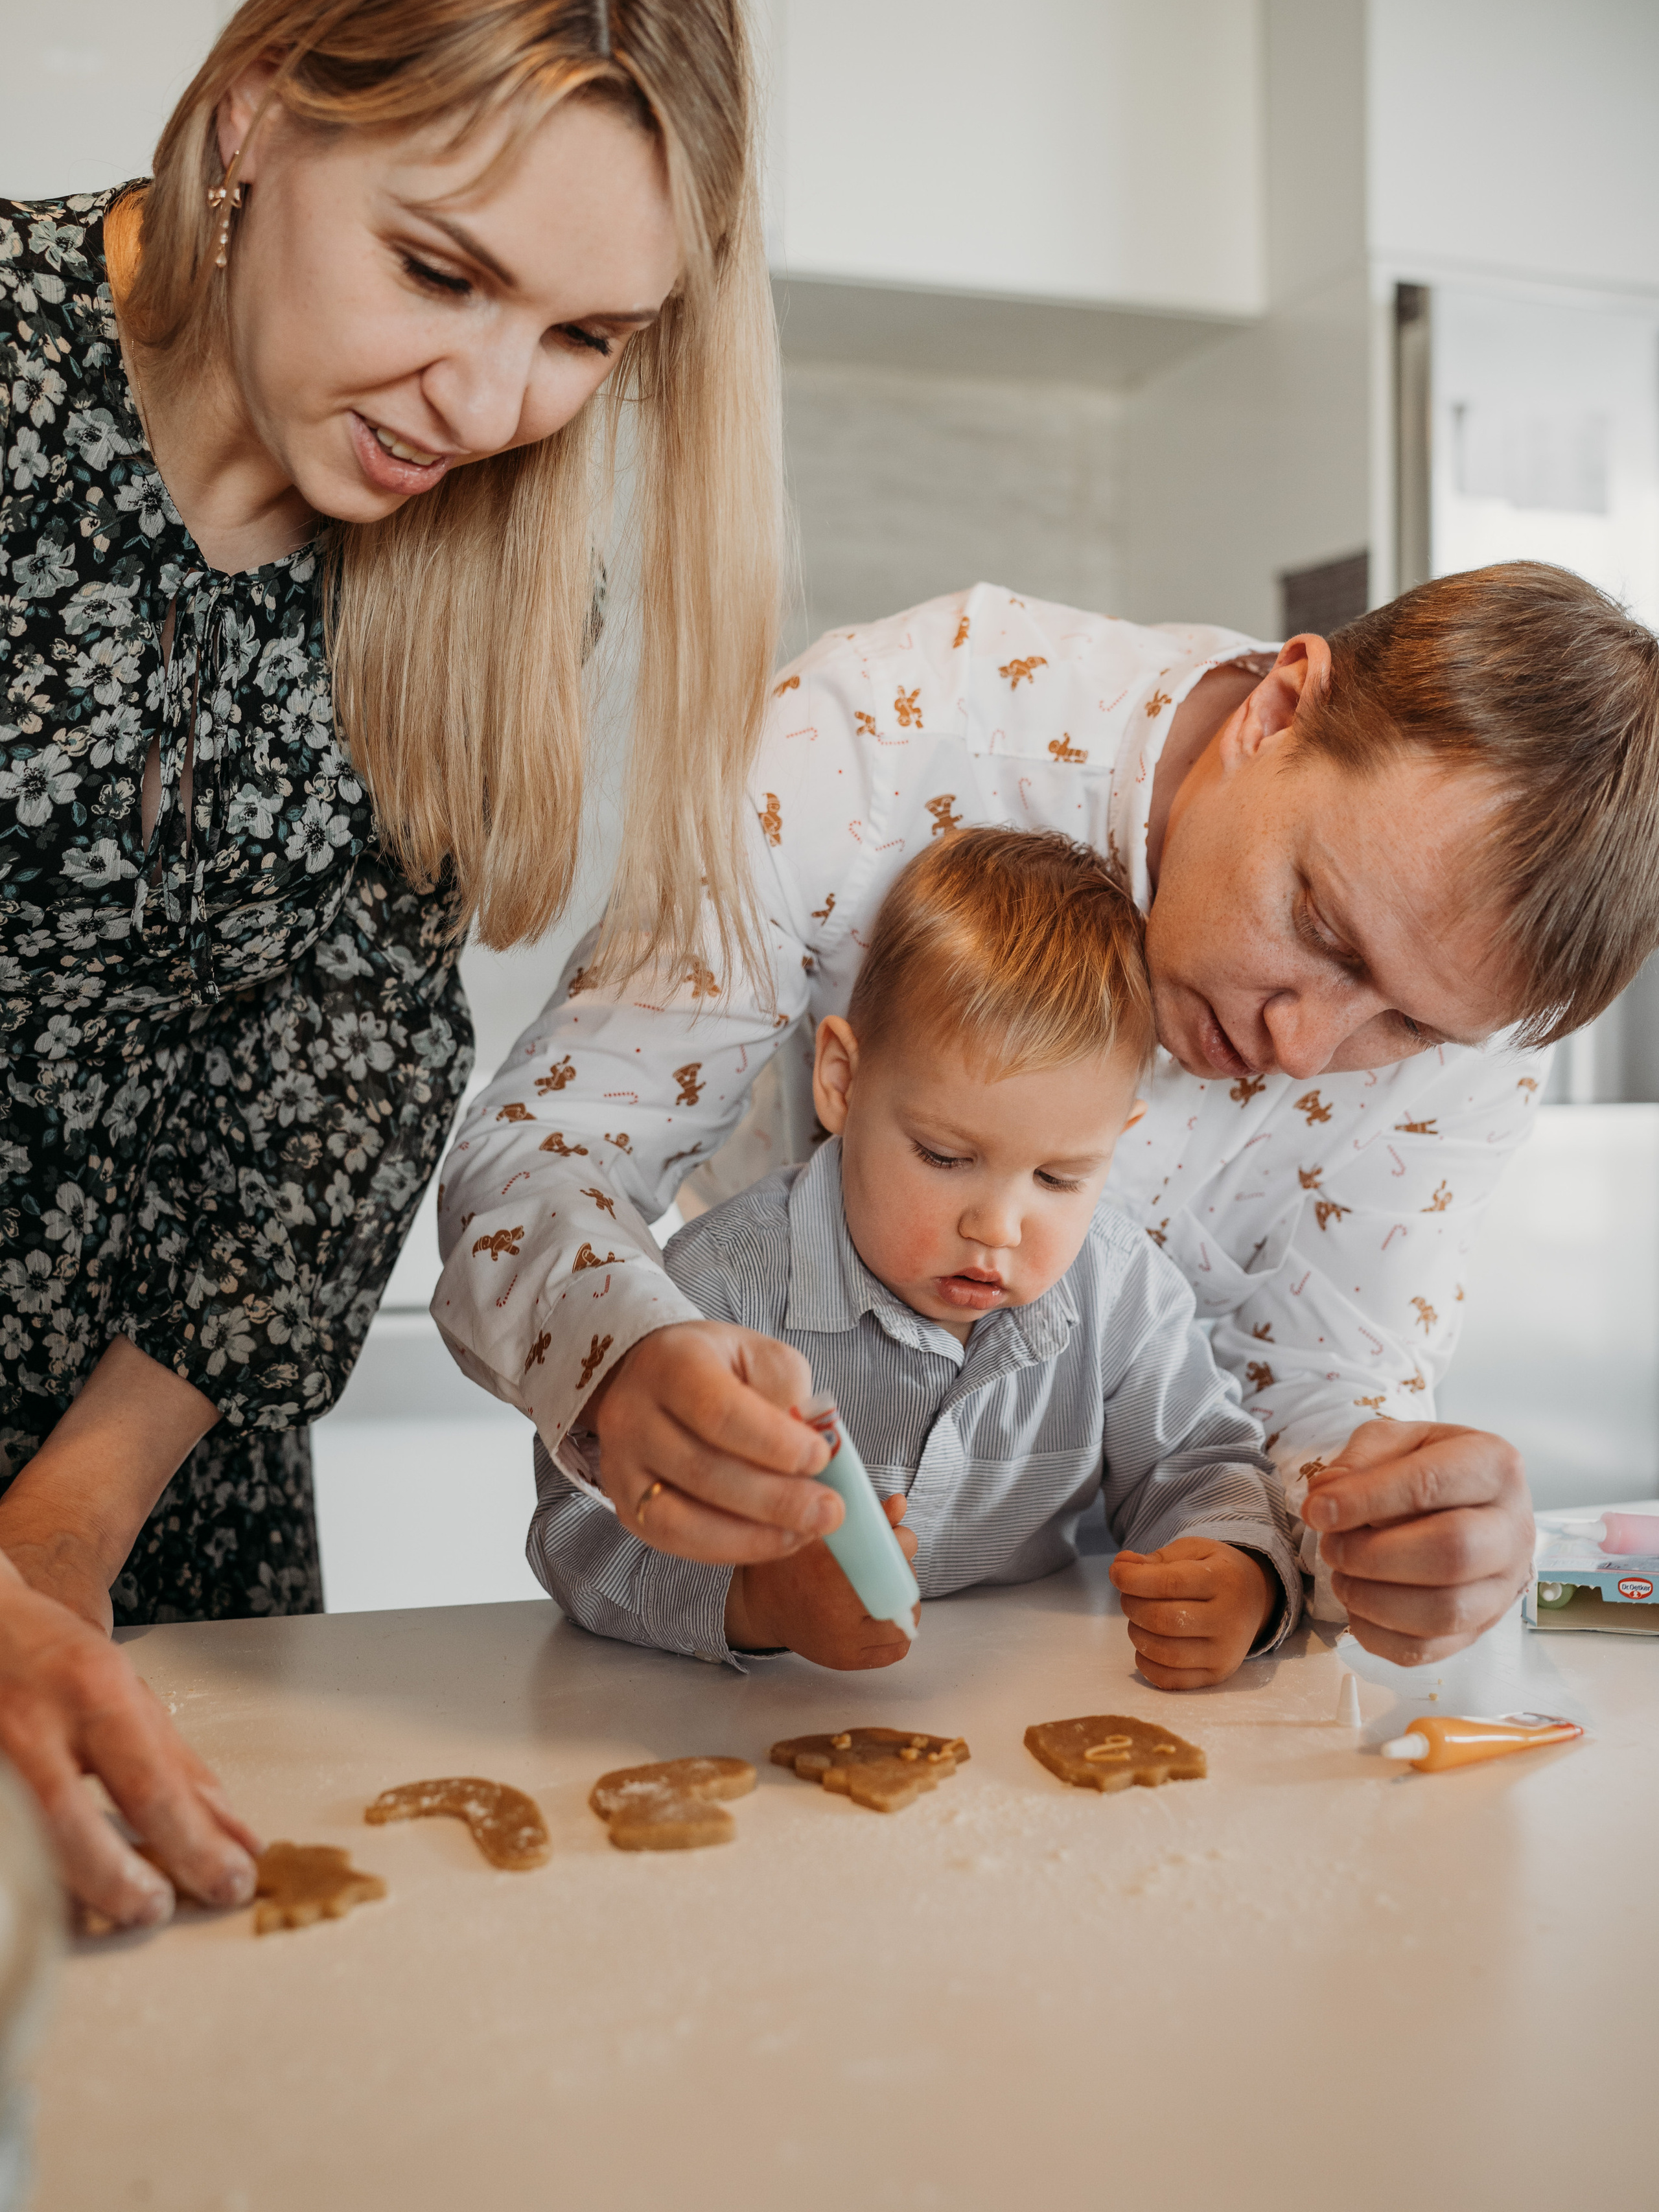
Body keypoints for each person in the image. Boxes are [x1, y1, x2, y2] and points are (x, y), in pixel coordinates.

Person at [0, 0, 784, 1928]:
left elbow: (335, 1086)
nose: (490, 400)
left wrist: (56, 1549)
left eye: (585, 338)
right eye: (442, 271)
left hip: (153, 1527)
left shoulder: (485, 557)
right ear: (258, 115)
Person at [435, 564, 1659, 1663]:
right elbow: (554, 1149)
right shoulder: (880, 739)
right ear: (1281, 711)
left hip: (1089, 1638)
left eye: (1403, 1032)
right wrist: (629, 1359)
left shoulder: (1479, 1017)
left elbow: (1327, 1383)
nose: (1302, 1049)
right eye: (1322, 928)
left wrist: (1389, 1523)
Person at [532, 829, 1302, 1681]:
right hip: (760, 1721)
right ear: (843, 1083)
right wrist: (753, 1605)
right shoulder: (709, 1292)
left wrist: (1240, 1575)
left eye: (1057, 1175)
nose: (998, 1228)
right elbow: (579, 1534)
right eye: (943, 1157)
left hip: (1018, 1711)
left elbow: (1200, 1463)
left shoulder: (1121, 1290)